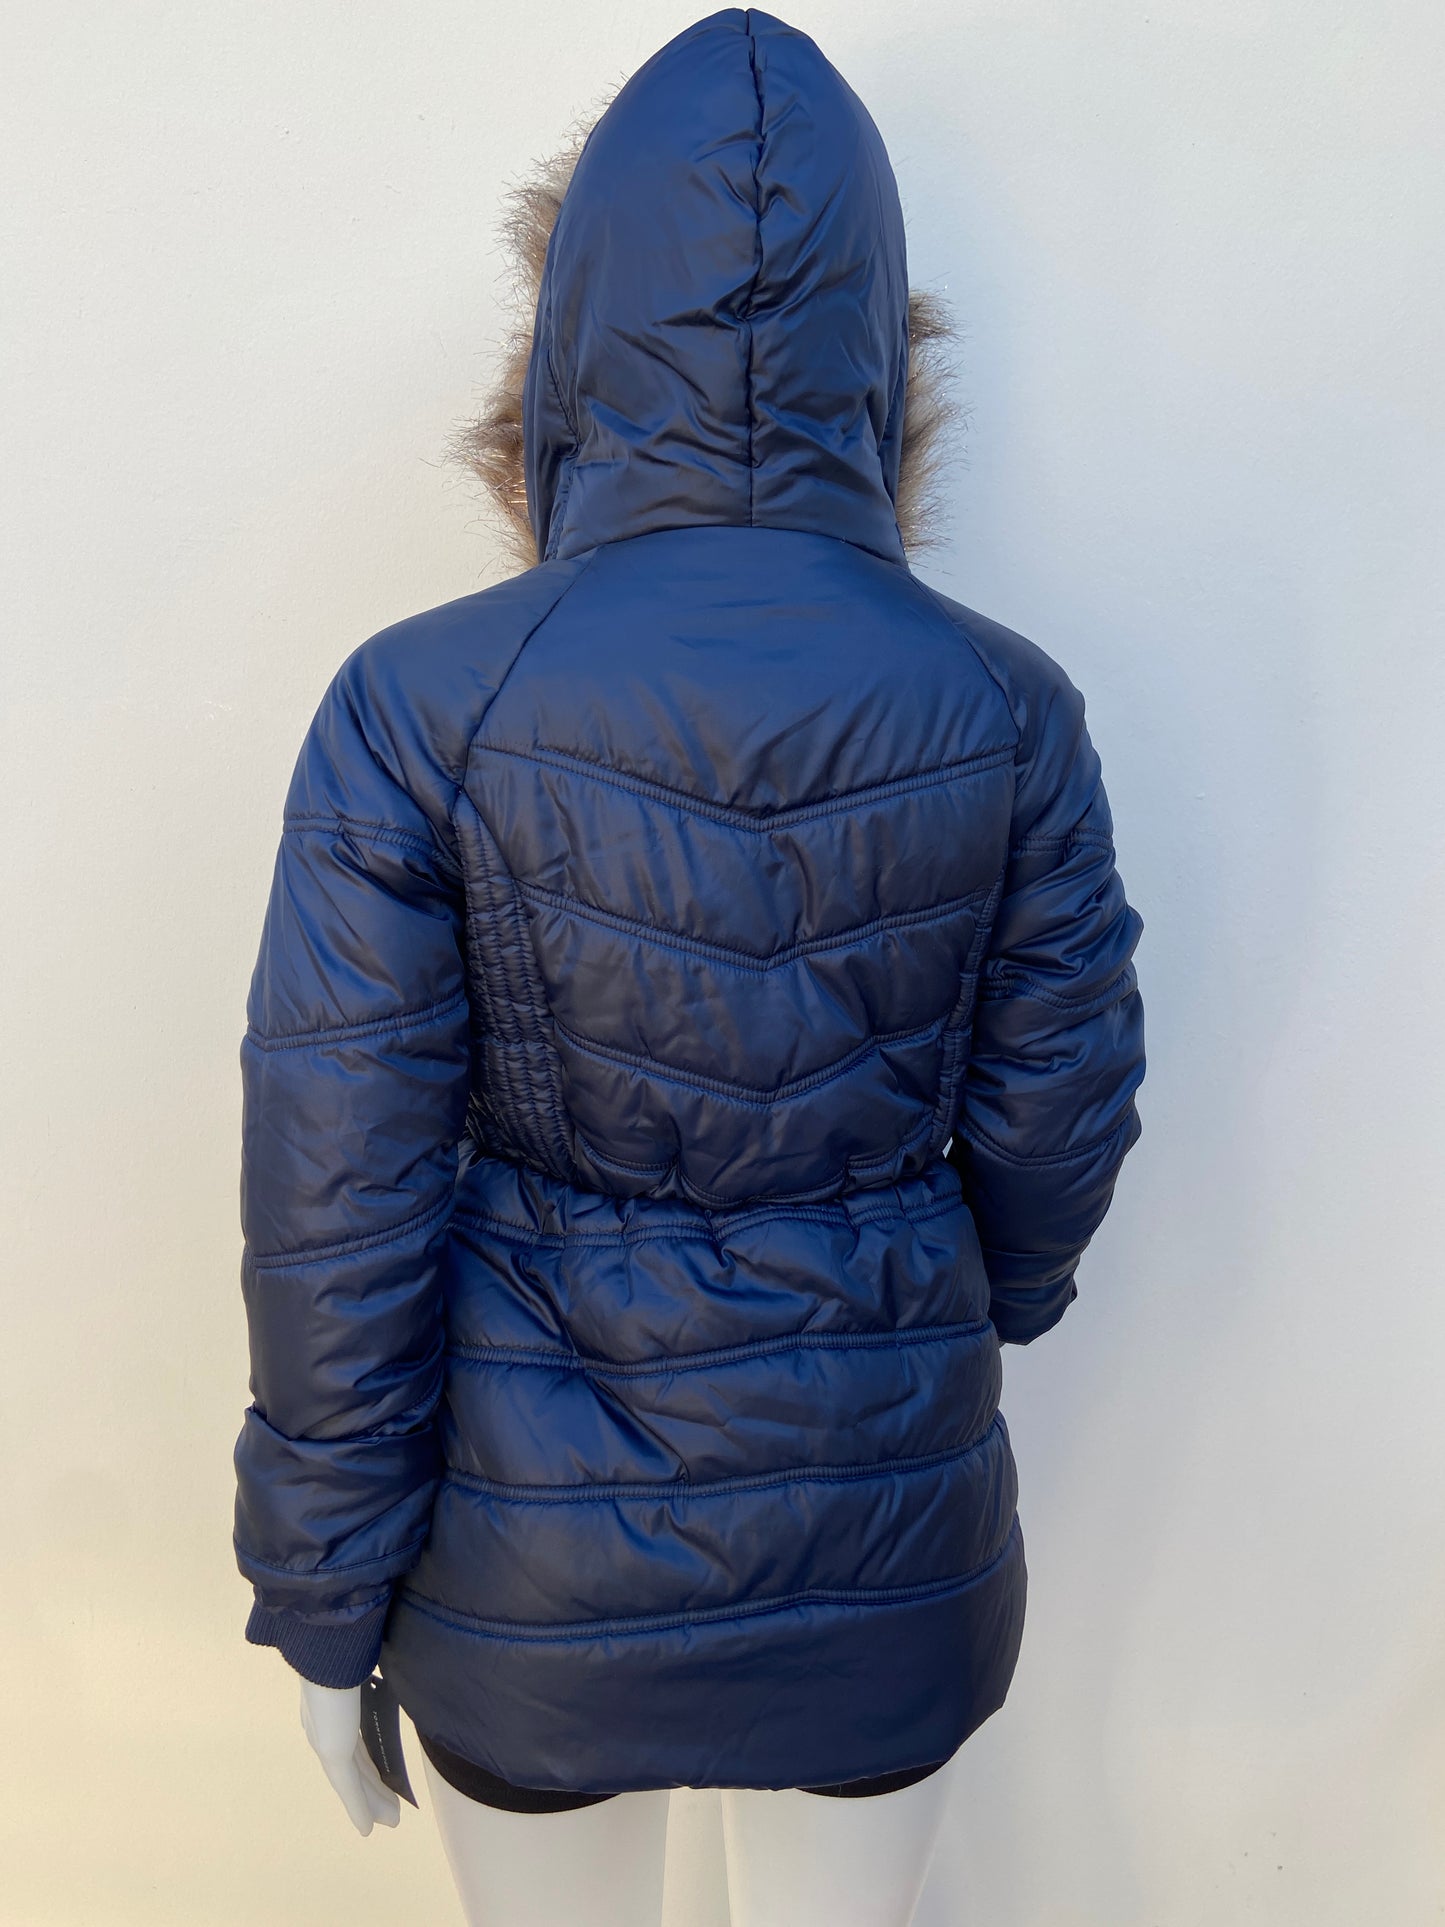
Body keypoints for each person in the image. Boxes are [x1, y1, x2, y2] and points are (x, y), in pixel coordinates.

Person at [231, 9, 1147, 1923]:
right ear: (876, 342)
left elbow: (339, 1188)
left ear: (568, 334)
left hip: (529, 1561)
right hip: (882, 1525)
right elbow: (1058, 1113)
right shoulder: (1002, 703)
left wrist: (323, 1590)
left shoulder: (422, 704)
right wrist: (968, 1300)